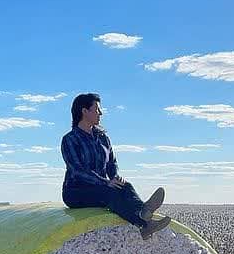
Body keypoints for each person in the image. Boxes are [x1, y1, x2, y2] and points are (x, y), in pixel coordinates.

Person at [61, 92, 171, 239]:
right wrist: (106, 182)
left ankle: (143, 211)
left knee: (126, 186)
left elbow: (111, 162)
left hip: (101, 185)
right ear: (84, 111)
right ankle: (143, 225)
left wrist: (115, 178)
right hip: (75, 191)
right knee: (109, 193)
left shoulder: (103, 137)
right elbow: (78, 170)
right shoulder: (70, 139)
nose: (101, 113)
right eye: (97, 109)